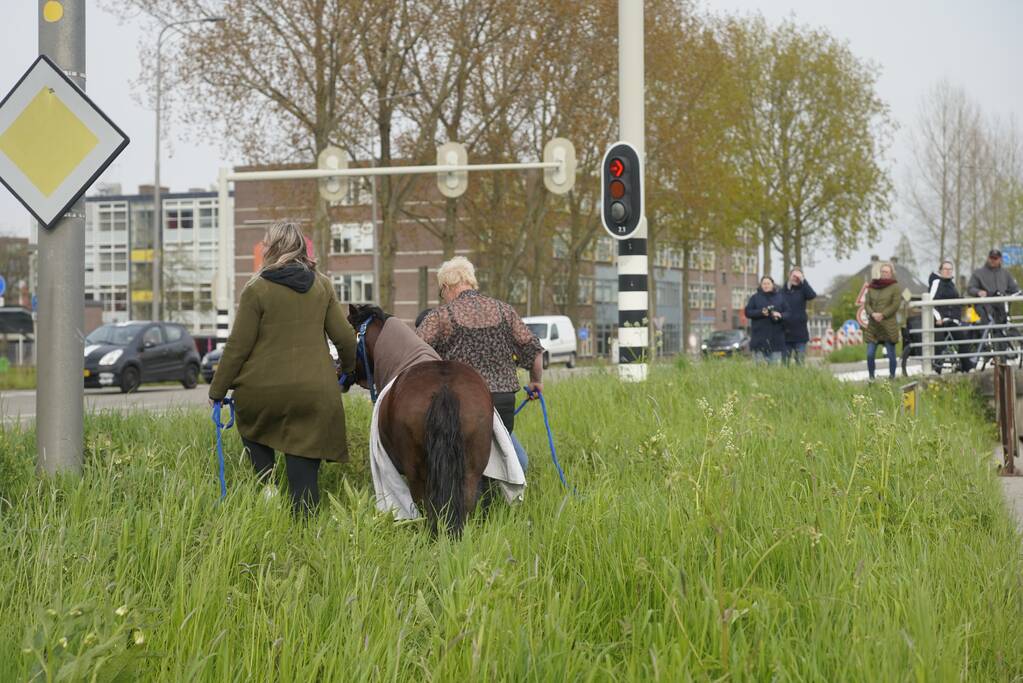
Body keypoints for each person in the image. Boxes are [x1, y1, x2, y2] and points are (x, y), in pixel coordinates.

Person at [209, 222, 357, 514]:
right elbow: (344, 339)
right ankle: (305, 532)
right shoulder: (322, 285)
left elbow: (238, 347)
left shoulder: (256, 287)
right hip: (313, 394)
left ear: (272, 248)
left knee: (255, 428)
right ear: (301, 248)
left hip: (261, 393)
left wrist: (218, 390)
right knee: (304, 485)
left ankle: (267, 486)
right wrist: (348, 373)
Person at [417, 257, 544, 439]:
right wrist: (536, 381)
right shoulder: (504, 310)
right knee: (502, 455)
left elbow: (416, 350)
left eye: (441, 292)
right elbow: (534, 351)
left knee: (465, 459)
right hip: (502, 402)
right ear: (471, 281)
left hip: (460, 402)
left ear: (446, 286)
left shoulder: (441, 316)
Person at [928, 260, 974, 372]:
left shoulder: (951, 284)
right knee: (941, 345)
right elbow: (930, 301)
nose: (948, 271)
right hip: (943, 321)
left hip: (953, 320)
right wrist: (938, 318)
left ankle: (966, 368)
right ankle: (937, 370)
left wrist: (968, 303)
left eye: (950, 269)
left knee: (964, 341)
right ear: (940, 271)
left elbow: (955, 301)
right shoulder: (937, 282)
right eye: (946, 269)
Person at [864, 262, 900, 380]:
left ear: (891, 273)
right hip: (873, 326)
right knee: (870, 354)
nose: (885, 274)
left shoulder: (895, 287)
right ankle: (871, 378)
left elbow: (895, 304)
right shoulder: (872, 286)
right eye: (883, 271)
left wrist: (883, 315)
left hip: (888, 326)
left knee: (891, 355)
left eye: (887, 272)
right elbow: (867, 304)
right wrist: (872, 313)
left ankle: (892, 377)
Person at [967, 249, 1020, 326]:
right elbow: (970, 288)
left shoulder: (1005, 273)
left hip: (1002, 307)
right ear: (988, 258)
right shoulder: (978, 273)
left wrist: (1017, 293)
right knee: (987, 324)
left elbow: (1014, 289)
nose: (993, 260)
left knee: (1007, 326)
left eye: (995, 258)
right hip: (985, 306)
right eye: (991, 258)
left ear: (1000, 259)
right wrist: (978, 292)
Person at [744, 276, 788, 364]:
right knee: (759, 369)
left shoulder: (780, 298)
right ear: (761, 285)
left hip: (776, 340)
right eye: (764, 283)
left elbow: (789, 313)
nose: (766, 285)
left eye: (768, 283)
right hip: (759, 340)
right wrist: (761, 312)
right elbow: (747, 312)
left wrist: (780, 315)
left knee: (774, 370)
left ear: (772, 285)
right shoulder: (755, 298)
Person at [781, 267, 817, 366]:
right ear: (789, 276)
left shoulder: (803, 290)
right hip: (785, 334)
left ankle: (799, 380)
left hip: (800, 334)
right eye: (794, 275)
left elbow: (812, 295)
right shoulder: (782, 291)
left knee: (800, 362)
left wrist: (803, 280)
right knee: (785, 364)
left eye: (798, 276)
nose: (795, 278)